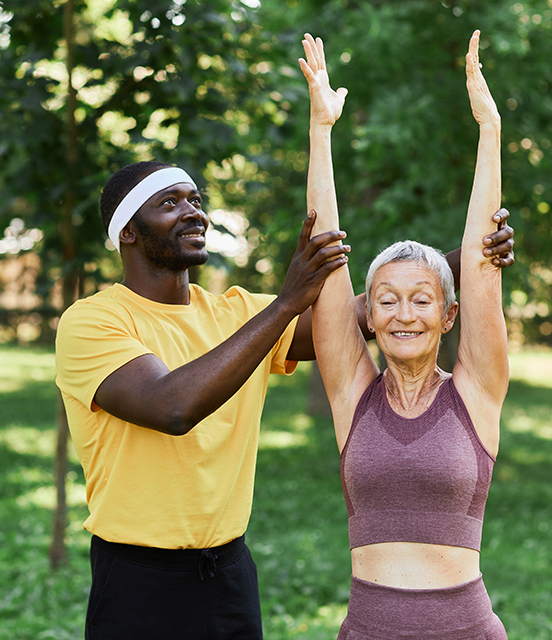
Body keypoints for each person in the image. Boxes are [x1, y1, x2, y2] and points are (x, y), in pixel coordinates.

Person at [55, 82, 513, 640]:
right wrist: (288, 302)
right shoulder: (92, 322)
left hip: (228, 573)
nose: (194, 213)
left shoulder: (237, 313)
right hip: (139, 579)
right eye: (170, 203)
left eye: (196, 200)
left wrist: (476, 257)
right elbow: (172, 407)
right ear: (127, 231)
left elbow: (368, 312)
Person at [300, 30, 509, 639]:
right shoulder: (353, 397)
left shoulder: (476, 393)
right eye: (387, 301)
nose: (403, 314)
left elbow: (481, 264)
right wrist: (321, 130)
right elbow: (326, 261)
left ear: (449, 315)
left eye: (422, 300)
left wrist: (490, 130)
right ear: (370, 316)